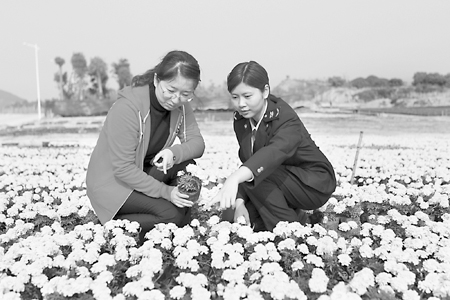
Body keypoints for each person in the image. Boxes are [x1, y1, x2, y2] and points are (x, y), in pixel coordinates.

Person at [86, 50, 205, 243]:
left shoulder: (181, 106)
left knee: (187, 165)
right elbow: (123, 169)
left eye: (186, 94)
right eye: (170, 90)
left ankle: (176, 210)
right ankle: (116, 227)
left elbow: (197, 144)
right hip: (113, 184)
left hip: (142, 172)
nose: (176, 99)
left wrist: (173, 152)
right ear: (157, 80)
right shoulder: (127, 108)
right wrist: (167, 192)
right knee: (171, 216)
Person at [211, 61, 336, 232]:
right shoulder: (241, 121)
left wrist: (234, 178)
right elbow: (251, 161)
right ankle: (297, 219)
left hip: (312, 183)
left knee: (260, 174)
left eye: (247, 96)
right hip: (275, 179)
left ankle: (292, 233)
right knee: (234, 216)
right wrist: (240, 202)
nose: (241, 104)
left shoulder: (284, 117)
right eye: (235, 97)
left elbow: (271, 155)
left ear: (265, 91)